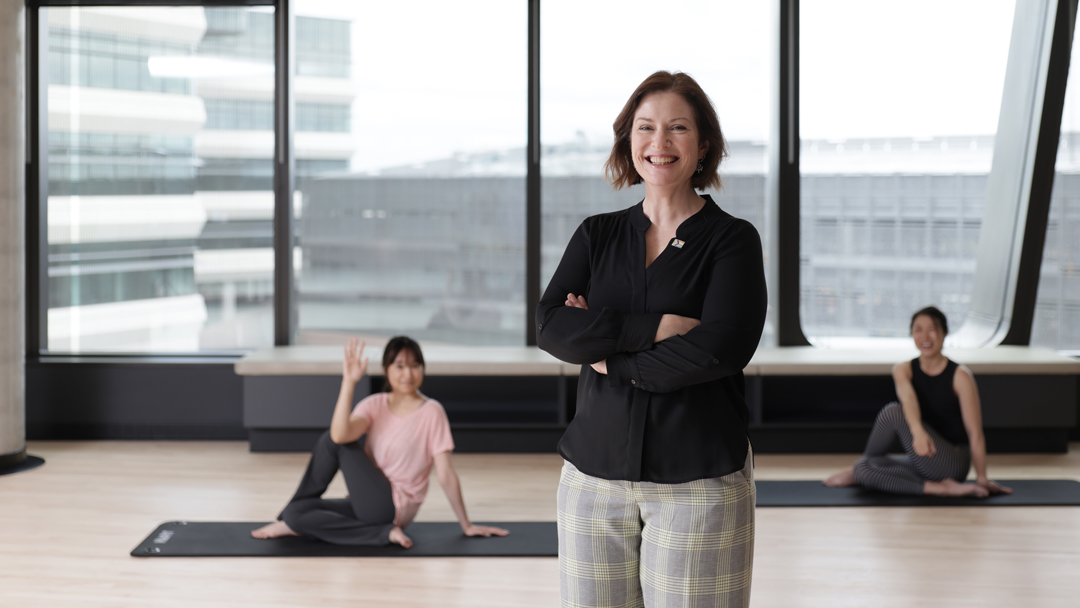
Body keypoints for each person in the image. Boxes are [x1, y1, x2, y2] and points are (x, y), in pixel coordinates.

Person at [537, 71, 767, 608]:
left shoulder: (733, 240)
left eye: (677, 128)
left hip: (698, 485)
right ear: (629, 140)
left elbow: (718, 349)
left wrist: (605, 356)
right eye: (646, 128)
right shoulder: (597, 234)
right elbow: (552, 326)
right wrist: (657, 328)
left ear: (703, 144)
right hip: (592, 482)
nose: (659, 143)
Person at [251, 336, 509, 547]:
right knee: (298, 513)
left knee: (333, 441)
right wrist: (349, 382)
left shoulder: (432, 411)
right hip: (365, 503)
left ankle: (378, 531)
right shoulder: (375, 405)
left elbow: (445, 474)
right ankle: (370, 532)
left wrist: (466, 524)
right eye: (399, 365)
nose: (408, 372)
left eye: (415, 365)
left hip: (393, 506)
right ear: (386, 370)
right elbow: (340, 433)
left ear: (422, 369)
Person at [823, 307, 1013, 498]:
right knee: (863, 469)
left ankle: (945, 485)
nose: (925, 336)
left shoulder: (960, 376)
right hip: (922, 454)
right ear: (912, 335)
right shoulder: (903, 369)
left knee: (893, 412)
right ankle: (937, 488)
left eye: (932, 329)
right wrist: (918, 433)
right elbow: (908, 399)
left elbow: (975, 433)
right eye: (918, 330)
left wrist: (982, 478)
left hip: (952, 461)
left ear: (944, 333)